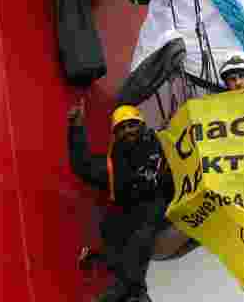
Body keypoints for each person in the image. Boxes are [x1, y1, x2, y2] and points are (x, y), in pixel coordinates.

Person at [68, 98, 172, 302]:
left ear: (142, 126)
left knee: (139, 240)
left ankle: (123, 291)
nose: (128, 131)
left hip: (159, 215)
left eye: (132, 125)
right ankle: (132, 292)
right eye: (122, 128)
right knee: (116, 233)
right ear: (115, 134)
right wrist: (76, 127)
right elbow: (83, 166)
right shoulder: (113, 166)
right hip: (127, 223)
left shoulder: (163, 149)